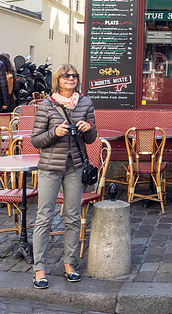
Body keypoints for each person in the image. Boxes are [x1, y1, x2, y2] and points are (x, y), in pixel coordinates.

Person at [31, 64, 97, 289]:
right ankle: (39, 268)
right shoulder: (46, 105)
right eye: (66, 76)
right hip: (50, 168)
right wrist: (54, 132)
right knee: (44, 217)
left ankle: (70, 264)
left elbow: (91, 139)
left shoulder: (86, 103)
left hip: (75, 167)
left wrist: (88, 127)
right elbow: (36, 140)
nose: (71, 78)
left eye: (74, 75)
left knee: (72, 216)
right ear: (58, 79)